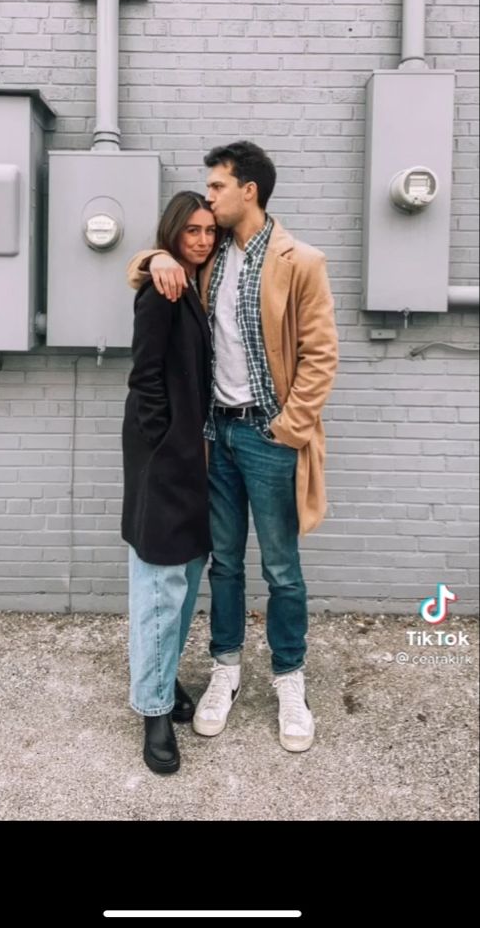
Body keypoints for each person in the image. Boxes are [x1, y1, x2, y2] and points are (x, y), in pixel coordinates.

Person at [127, 141, 338, 753]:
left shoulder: (301, 261)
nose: (209, 196)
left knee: (280, 568)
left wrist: (290, 426)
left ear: (248, 190)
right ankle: (226, 670)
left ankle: (289, 680)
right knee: (223, 562)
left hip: (270, 437)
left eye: (217, 186)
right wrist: (154, 255)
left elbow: (321, 355)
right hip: (214, 436)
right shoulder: (208, 258)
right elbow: (151, 265)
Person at [122, 191, 218, 775]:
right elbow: (145, 378)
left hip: (196, 460)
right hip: (166, 458)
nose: (203, 240)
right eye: (192, 233)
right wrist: (164, 444)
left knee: (184, 575)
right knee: (160, 586)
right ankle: (153, 709)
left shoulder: (193, 284)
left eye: (210, 231)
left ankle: (161, 673)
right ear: (173, 234)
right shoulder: (160, 290)